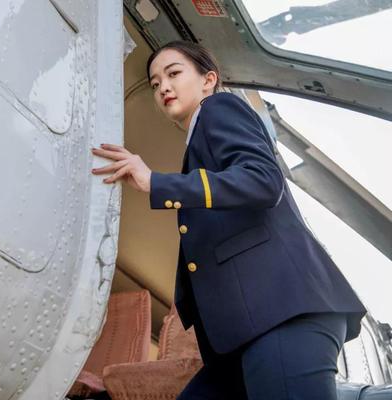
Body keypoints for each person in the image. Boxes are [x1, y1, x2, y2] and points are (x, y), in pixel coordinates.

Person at [90, 40, 367, 399]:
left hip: (280, 316)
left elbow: (263, 180)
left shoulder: (219, 107)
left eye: (173, 74)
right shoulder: (198, 141)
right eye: (155, 84)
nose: (163, 88)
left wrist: (156, 182)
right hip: (240, 337)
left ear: (209, 80)